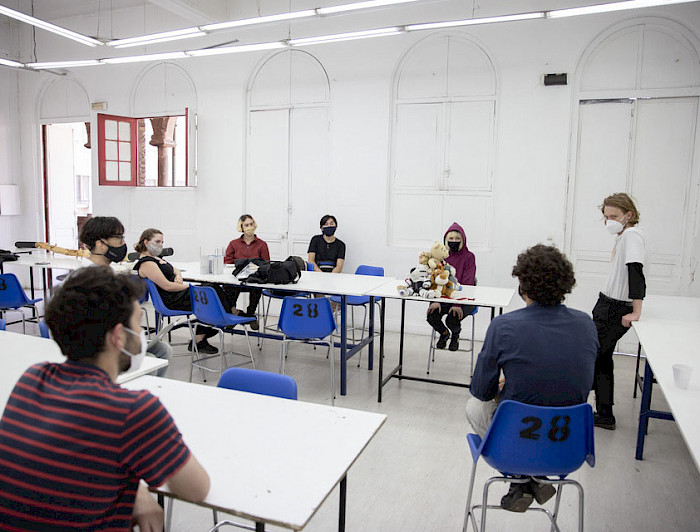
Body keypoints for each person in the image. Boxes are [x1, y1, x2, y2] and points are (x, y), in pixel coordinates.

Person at [0, 266, 210, 530]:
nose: (142, 334)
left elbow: (67, 469)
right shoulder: (132, 411)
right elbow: (197, 489)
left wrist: (137, 493)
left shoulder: (33, 378)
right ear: (119, 336)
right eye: (137, 324)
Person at [466, 244, 598, 513]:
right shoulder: (586, 324)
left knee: (474, 407)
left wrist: (501, 387)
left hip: (514, 441)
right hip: (568, 447)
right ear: (565, 285)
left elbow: (480, 390)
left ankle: (519, 479)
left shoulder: (503, 326)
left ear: (521, 284)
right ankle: (534, 481)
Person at [79, 216, 173, 376]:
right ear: (100, 244)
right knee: (149, 358)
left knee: (163, 349)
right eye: (119, 238)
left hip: (117, 338)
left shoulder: (106, 272)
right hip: (98, 347)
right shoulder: (88, 280)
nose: (123, 243)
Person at [592, 193, 646, 430]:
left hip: (615, 307)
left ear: (629, 215)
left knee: (599, 357)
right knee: (600, 358)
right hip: (607, 303)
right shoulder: (623, 236)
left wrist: (636, 311)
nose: (609, 221)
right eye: (606, 217)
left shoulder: (632, 235)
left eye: (614, 216)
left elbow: (636, 272)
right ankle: (602, 412)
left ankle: (604, 414)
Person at [133, 228, 219, 355]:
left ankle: (204, 334)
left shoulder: (156, 258)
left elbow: (176, 270)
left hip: (177, 294)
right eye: (157, 242)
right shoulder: (147, 263)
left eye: (162, 242)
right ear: (146, 242)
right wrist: (190, 287)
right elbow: (167, 286)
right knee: (211, 290)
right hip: (171, 300)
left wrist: (178, 276)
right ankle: (232, 315)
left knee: (212, 290)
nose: (161, 245)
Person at [426, 222, 476, 351]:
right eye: (451, 238)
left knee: (452, 317)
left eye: (457, 238)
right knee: (432, 315)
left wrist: (457, 304)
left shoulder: (469, 257)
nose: (454, 241)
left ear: (463, 240)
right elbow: (436, 280)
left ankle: (455, 336)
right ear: (446, 240)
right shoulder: (441, 257)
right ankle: (444, 334)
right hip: (443, 296)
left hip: (464, 299)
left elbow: (468, 282)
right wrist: (435, 300)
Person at [222, 214, 270, 330]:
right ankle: (234, 313)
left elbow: (266, 263)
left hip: (254, 278)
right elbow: (227, 262)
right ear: (241, 227)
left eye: (251, 224)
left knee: (256, 287)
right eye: (246, 225)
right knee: (229, 287)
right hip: (237, 279)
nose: (249, 227)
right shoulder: (233, 244)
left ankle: (250, 314)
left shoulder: (262, 244)